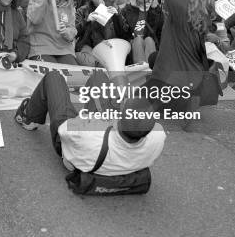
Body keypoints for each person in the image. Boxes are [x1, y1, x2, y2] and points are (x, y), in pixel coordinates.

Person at [13, 71, 165, 187]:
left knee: (54, 78)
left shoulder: (88, 134)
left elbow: (65, 130)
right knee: (98, 76)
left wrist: (95, 119)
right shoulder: (158, 135)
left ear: (120, 118)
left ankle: (29, 118)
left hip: (81, 149)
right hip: (113, 150)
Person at [142, 0, 215, 113]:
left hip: (169, 77)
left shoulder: (181, 5)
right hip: (192, 76)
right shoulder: (204, 10)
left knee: (131, 106)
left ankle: (176, 100)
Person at [75, 0, 130, 67]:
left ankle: (104, 65)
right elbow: (75, 32)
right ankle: (100, 65)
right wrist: (86, 20)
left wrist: (117, 16)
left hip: (110, 45)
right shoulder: (82, 10)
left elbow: (125, 33)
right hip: (90, 46)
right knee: (85, 58)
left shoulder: (113, 7)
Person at [27, 0, 77, 64]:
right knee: (53, 76)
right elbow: (35, 19)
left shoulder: (68, 4)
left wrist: (66, 31)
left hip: (64, 50)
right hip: (41, 48)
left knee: (73, 76)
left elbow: (72, 31)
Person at [120, 0, 163, 64]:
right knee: (138, 40)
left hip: (152, 45)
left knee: (149, 40)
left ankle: (148, 72)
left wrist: (156, 10)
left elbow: (160, 32)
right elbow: (123, 34)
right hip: (133, 46)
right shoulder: (126, 10)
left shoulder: (156, 10)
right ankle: (143, 72)